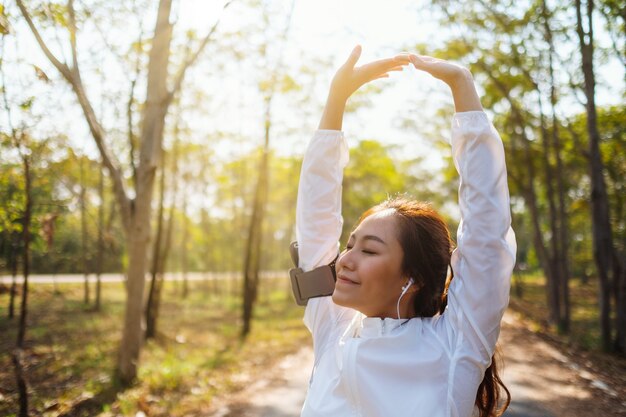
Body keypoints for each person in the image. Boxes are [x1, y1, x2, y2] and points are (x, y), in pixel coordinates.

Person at [295, 45, 517, 417]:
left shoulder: (453, 345)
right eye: (350, 245)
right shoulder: (334, 327)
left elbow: (486, 236)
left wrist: (463, 87)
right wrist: (336, 100)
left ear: (411, 278)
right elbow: (316, 216)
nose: (344, 259)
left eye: (369, 250)